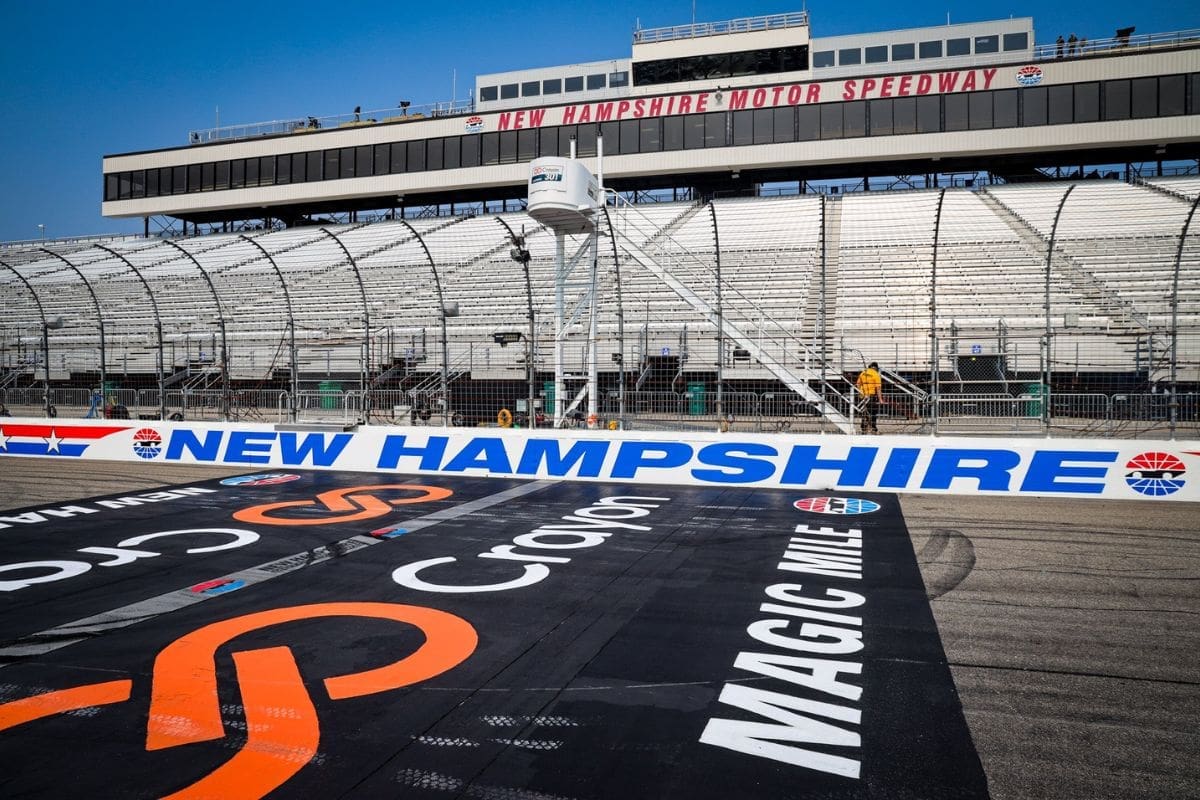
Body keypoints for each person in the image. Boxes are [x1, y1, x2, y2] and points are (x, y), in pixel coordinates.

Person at [855, 362, 882, 434]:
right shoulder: (876, 374)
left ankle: (864, 428)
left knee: (864, 413)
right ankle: (873, 428)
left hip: (863, 396)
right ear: (876, 368)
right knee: (873, 413)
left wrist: (861, 393)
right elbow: (878, 388)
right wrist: (880, 399)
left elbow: (858, 384)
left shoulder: (863, 372)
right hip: (871, 396)